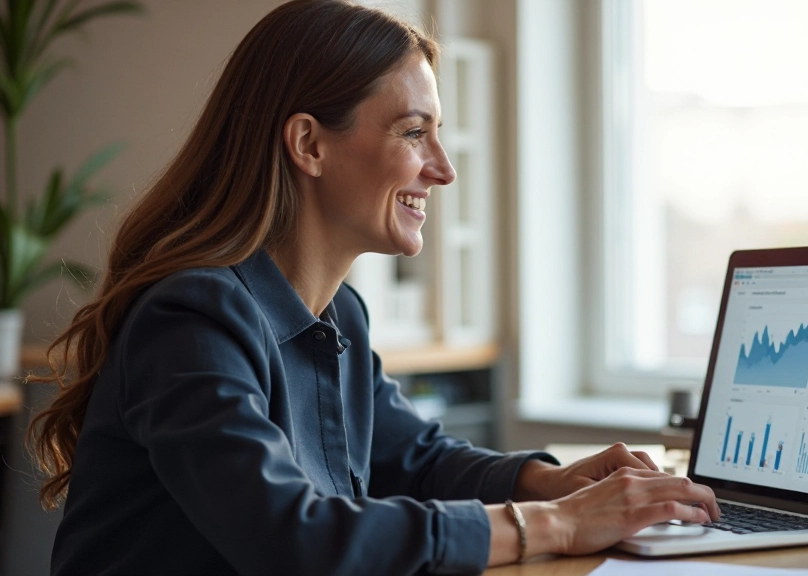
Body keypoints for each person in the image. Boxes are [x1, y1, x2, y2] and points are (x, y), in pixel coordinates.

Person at [29, 1, 719, 574]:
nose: (443, 169)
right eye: (414, 133)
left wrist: (549, 481)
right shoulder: (191, 320)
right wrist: (555, 524)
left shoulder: (337, 317)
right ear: (310, 145)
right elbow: (294, 539)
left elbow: (413, 459)